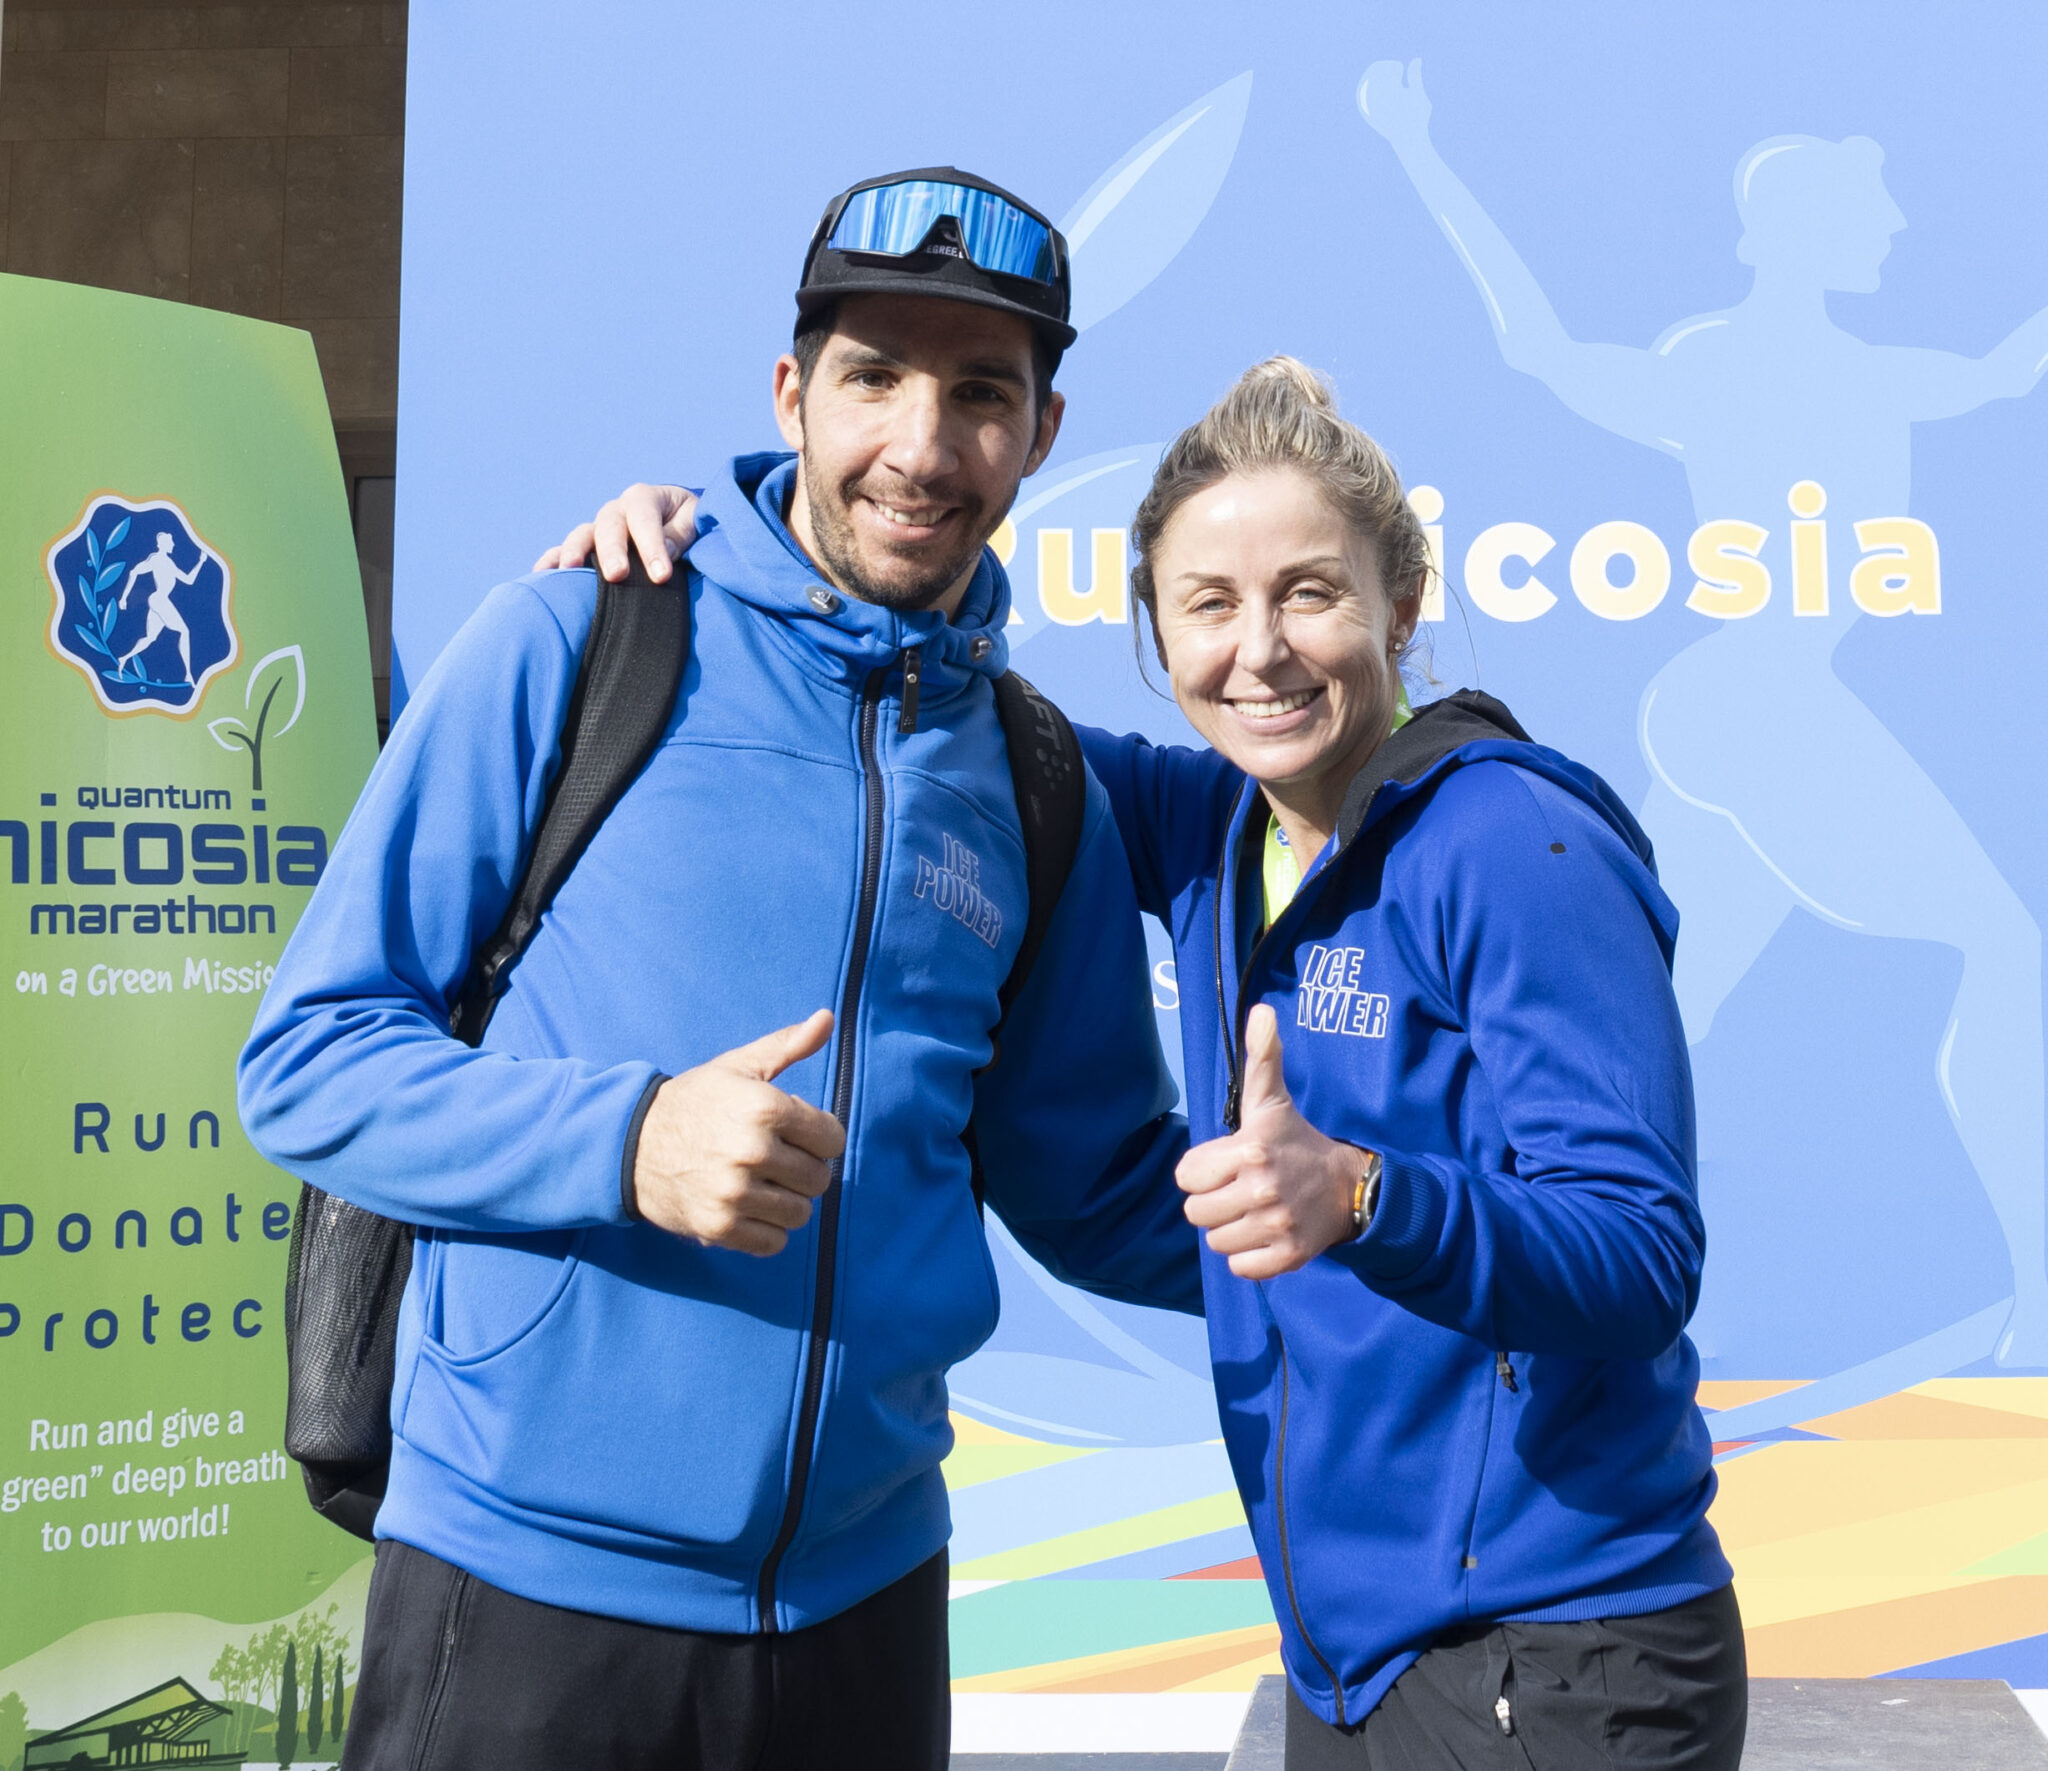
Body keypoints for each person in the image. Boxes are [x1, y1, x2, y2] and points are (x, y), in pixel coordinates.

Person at [563, 358, 1744, 1767]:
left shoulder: (1511, 843)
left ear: (1402, 605)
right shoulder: (1209, 824)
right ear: (1155, 630)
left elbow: (1640, 1253)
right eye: (1210, 604)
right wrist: (719, 556)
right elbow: (948, 715)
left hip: (1559, 1653)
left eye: (1309, 593)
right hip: (1351, 1655)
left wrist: (1362, 1194)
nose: (1261, 651)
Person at [236, 168, 1201, 1771]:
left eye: (981, 393)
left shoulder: (1037, 781)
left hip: (867, 1608)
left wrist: (1378, 1233)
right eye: (873, 377)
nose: (922, 444)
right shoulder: (584, 636)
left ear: (1041, 433)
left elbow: (1092, 1187)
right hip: (524, 1588)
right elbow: (309, 1062)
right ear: (789, 394)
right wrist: (630, 1139)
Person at [1361, 58, 2048, 1368]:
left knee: (1655, 1015)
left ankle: (1514, 1303)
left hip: (1736, 713)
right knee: (2005, 948)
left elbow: (2011, 372)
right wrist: (1418, 149)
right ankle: (2041, 1315)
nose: (1897, 228)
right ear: (1801, 228)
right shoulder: (1721, 363)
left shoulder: (1882, 373)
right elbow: (1540, 350)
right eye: (1871, 209)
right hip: (1759, 708)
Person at [117, 530, 202, 680]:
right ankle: (188, 674)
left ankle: (124, 658)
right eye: (171, 542)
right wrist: (123, 598)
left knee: (151, 638)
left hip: (159, 601)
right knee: (184, 631)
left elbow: (189, 580)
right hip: (160, 600)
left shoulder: (170, 563)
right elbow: (133, 572)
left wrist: (201, 562)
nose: (173, 544)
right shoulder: (156, 559)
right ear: (163, 544)